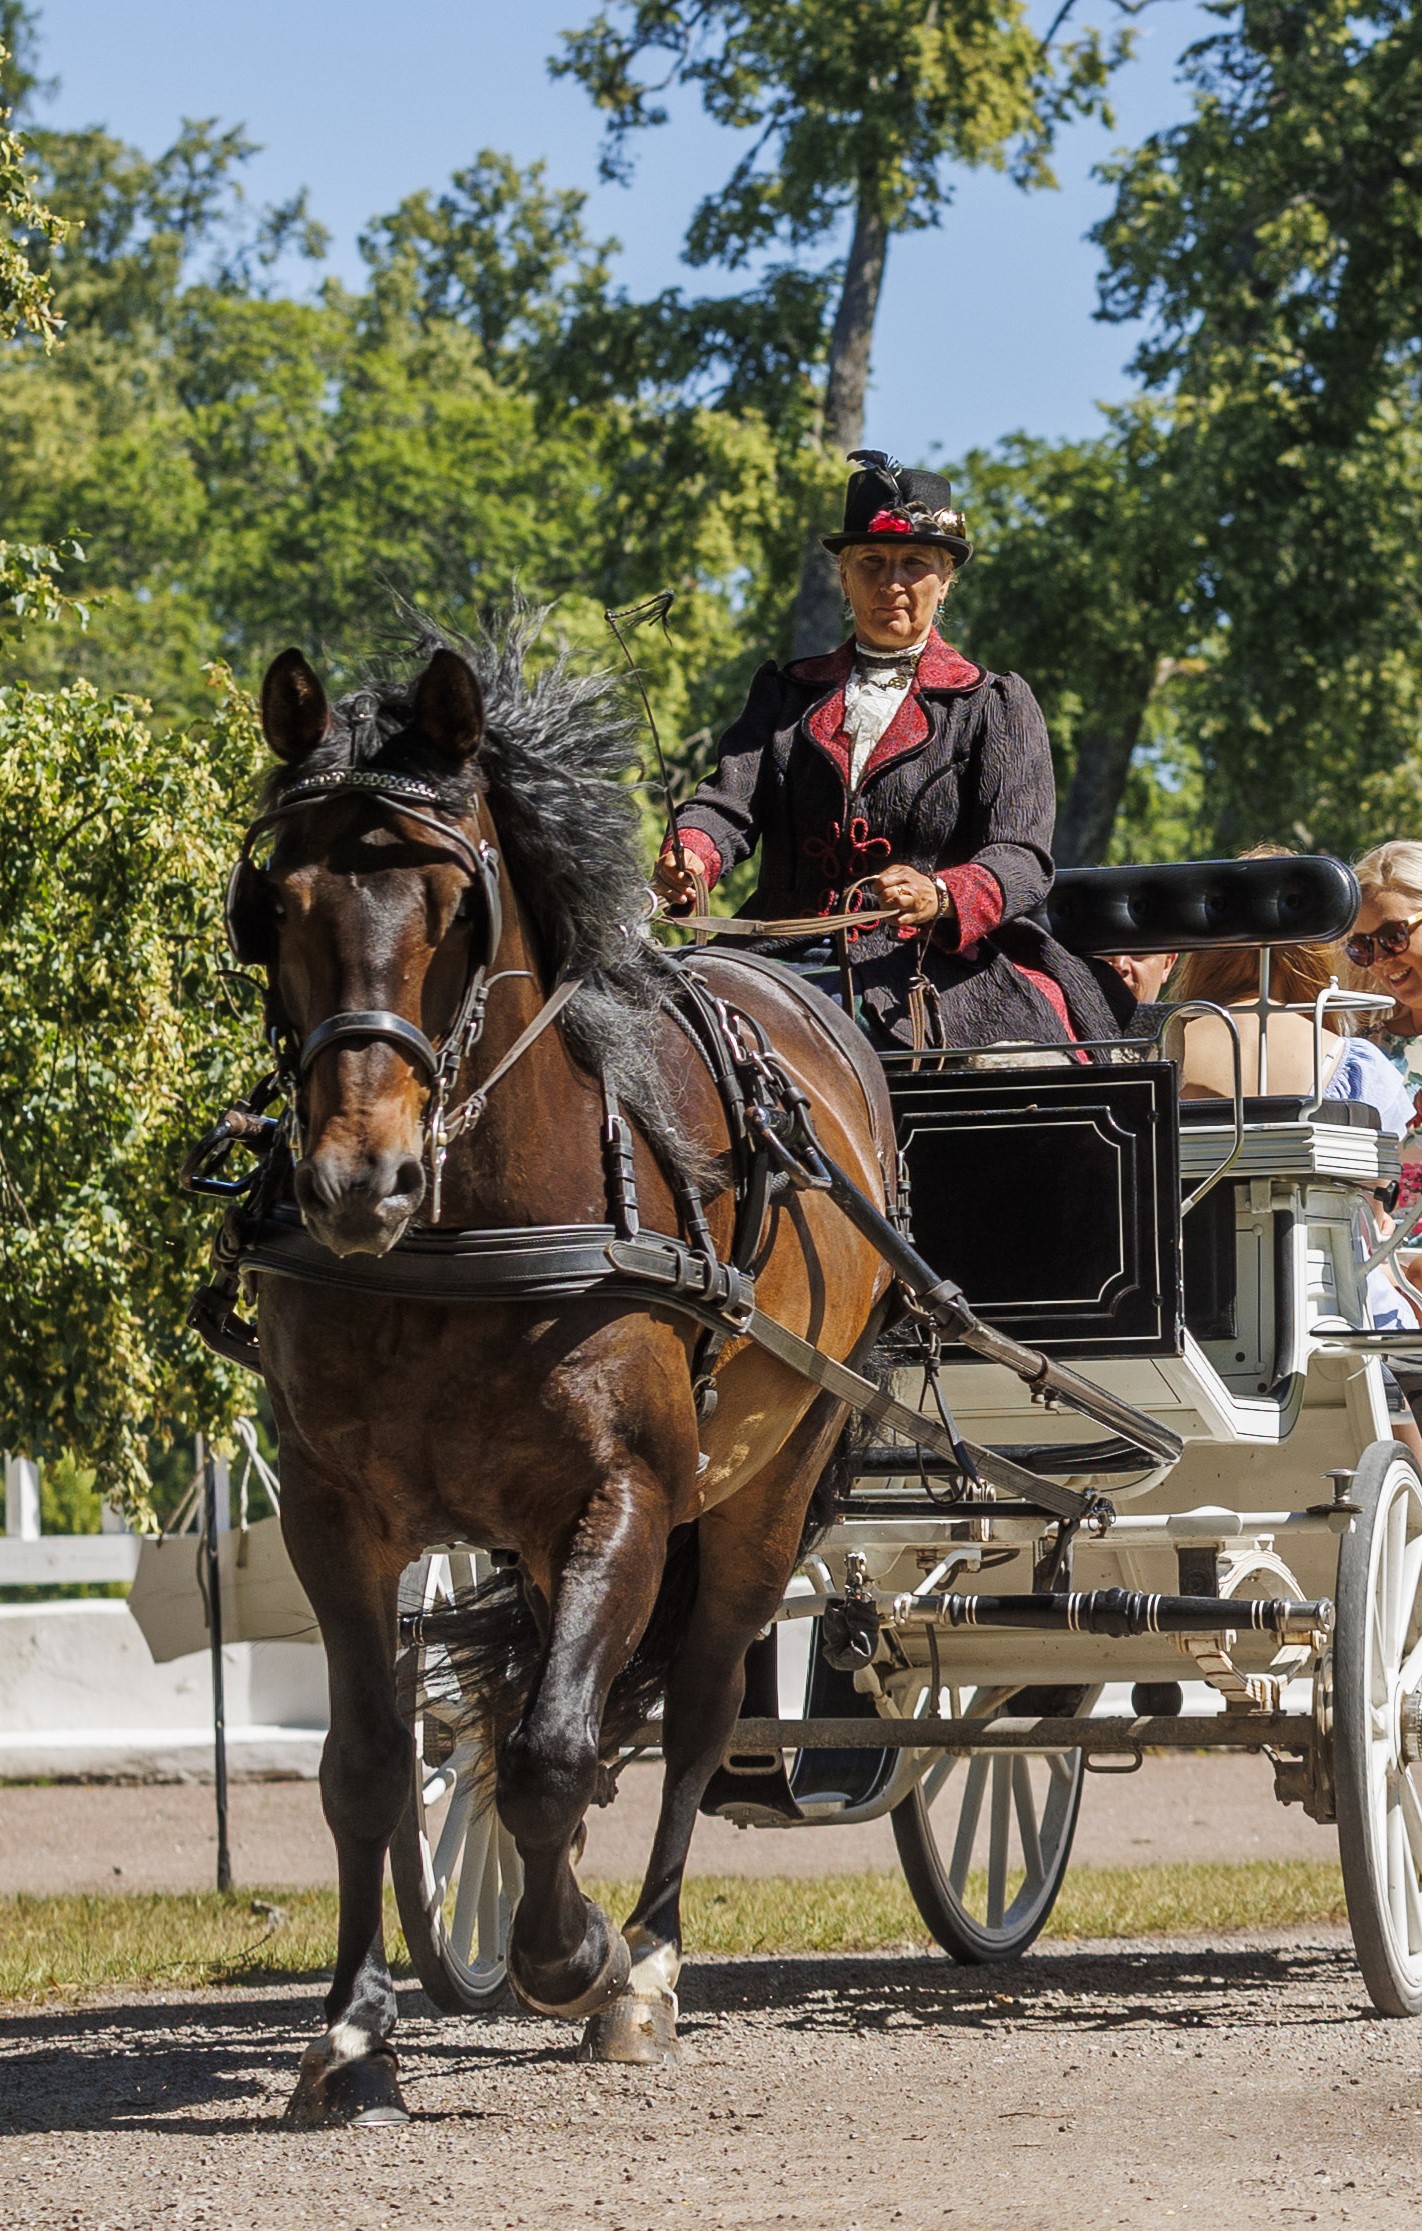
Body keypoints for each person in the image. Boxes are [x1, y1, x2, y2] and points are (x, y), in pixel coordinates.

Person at [653, 450, 1133, 1054]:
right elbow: (726, 806)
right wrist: (690, 855)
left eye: (914, 563)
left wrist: (942, 894)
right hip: (777, 949)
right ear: (844, 575)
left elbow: (1021, 856)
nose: (892, 583)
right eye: (872, 563)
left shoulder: (994, 705)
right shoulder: (786, 692)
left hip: (933, 962)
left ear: (946, 577)